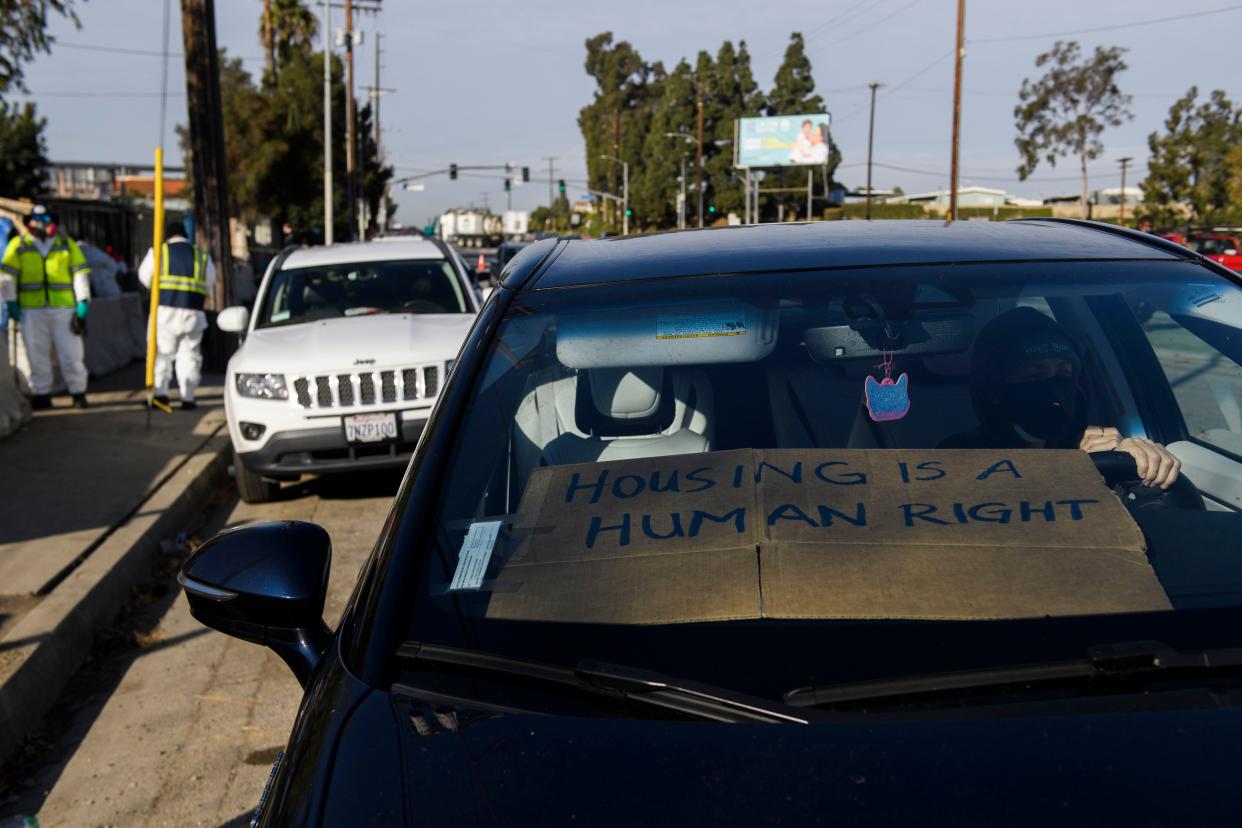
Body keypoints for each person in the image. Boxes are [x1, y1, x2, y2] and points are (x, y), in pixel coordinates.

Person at [942, 306, 1180, 489]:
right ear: (995, 386)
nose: (1052, 385)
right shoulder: (958, 453)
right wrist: (1069, 469)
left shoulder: (1093, 445)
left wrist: (1142, 460)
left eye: (1063, 373)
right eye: (1033, 374)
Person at [0, 205, 92, 409]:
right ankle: (42, 393)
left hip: (64, 308)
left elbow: (79, 274)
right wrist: (10, 301)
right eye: (36, 219)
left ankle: (78, 391)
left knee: (71, 352)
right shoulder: (19, 245)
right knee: (36, 352)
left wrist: (82, 301)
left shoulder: (66, 245)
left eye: (45, 218)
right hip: (31, 309)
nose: (40, 223)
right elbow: (7, 277)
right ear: (28, 221)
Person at [138, 219, 215, 410]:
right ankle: (188, 397)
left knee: (162, 354)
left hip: (165, 311)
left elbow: (144, 277)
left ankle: (160, 394)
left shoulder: (159, 252)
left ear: (167, 236)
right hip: (193, 312)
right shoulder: (201, 256)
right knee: (190, 355)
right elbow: (210, 281)